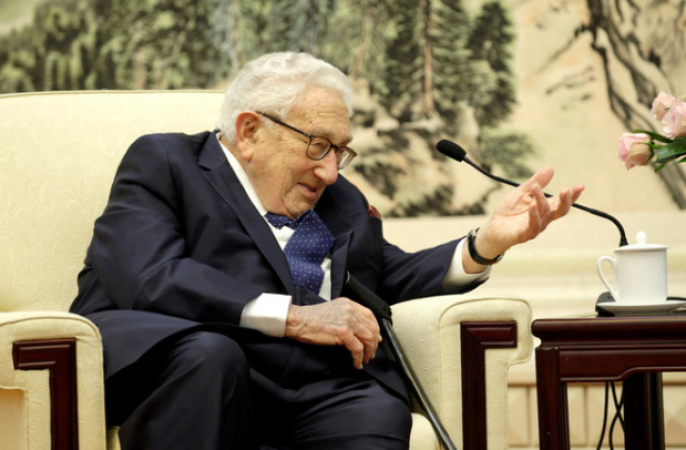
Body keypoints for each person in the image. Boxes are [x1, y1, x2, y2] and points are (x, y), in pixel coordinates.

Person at [70, 52, 584, 450]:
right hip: (186, 362)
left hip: (310, 384)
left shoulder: (340, 199)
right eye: (318, 145)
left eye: (341, 150)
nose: (331, 171)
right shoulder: (166, 162)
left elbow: (386, 276)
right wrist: (295, 318)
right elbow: (149, 276)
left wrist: (484, 245)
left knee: (372, 402)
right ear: (250, 131)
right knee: (211, 356)